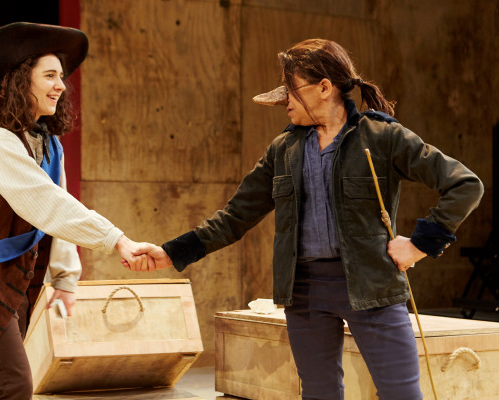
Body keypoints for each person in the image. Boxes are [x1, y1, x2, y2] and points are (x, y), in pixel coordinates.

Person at [124, 39, 484, 399]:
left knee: (401, 394)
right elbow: (234, 216)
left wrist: (419, 244)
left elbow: (465, 185)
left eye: (292, 91)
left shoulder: (382, 137)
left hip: (373, 286)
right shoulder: (284, 150)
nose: (285, 102)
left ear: (324, 88)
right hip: (305, 291)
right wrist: (171, 253)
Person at [0, 22, 151, 399]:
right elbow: (48, 205)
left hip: (15, 285)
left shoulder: (47, 145)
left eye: (61, 76)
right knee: (15, 386)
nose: (61, 85)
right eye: (49, 75)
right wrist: (116, 240)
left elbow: (53, 216)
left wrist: (63, 280)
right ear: (18, 81)